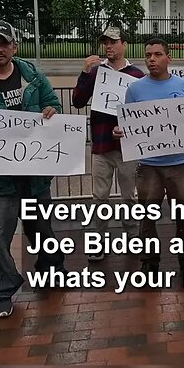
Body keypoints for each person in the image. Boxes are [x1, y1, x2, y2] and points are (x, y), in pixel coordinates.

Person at [0, 19, 65, 318]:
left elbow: (54, 106)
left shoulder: (32, 75)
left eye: (4, 43)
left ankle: (51, 271)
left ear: (14, 46)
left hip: (34, 174)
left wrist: (52, 111)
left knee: (42, 228)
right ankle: (3, 289)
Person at [113, 39, 184, 274]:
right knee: (147, 219)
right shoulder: (135, 89)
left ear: (168, 58)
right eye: (148, 55)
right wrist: (120, 132)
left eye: (158, 54)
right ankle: (150, 261)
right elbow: (128, 125)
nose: (152, 59)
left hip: (180, 164)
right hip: (149, 166)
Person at [71, 27, 146, 261]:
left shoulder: (137, 75)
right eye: (105, 42)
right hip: (102, 145)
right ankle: (99, 240)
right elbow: (77, 101)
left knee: (129, 196)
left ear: (124, 44)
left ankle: (133, 237)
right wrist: (84, 73)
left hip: (127, 146)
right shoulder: (96, 72)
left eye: (113, 42)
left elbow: (144, 112)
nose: (108, 46)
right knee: (99, 196)